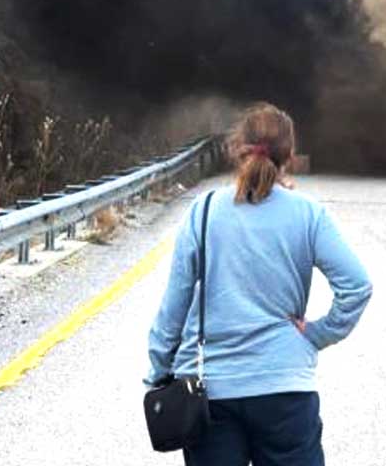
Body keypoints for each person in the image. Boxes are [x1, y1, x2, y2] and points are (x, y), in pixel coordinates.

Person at [147, 103, 372, 466]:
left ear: (237, 148)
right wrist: (318, 334)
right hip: (286, 391)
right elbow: (357, 286)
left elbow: (174, 306)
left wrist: (159, 371)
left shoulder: (203, 212)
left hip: (212, 392)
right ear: (290, 155)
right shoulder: (308, 214)